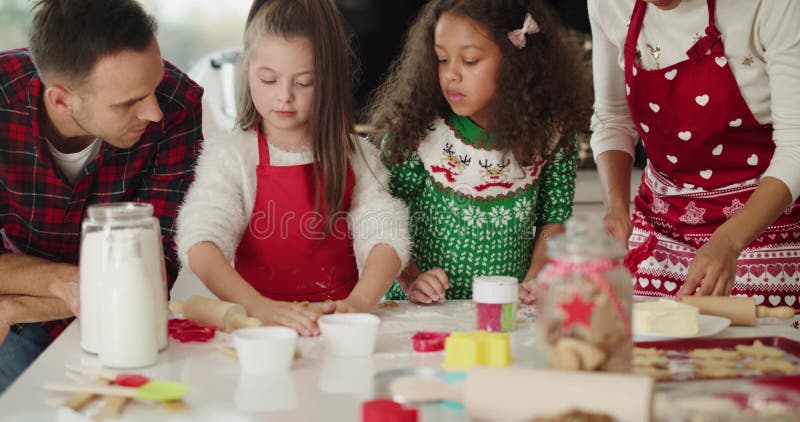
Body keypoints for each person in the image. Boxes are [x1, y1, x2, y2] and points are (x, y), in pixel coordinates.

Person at [0, 0, 204, 393]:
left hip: (114, 318)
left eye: (154, 86)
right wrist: (63, 280)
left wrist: (19, 302)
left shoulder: (179, 105)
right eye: (129, 102)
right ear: (61, 100)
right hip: (24, 324)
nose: (154, 112)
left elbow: (151, 272)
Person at [176, 0, 409, 337]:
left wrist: (359, 303)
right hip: (260, 332)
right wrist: (258, 307)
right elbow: (201, 242)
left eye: (303, 83)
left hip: (336, 327)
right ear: (247, 71)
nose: (284, 96)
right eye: (268, 80)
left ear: (328, 80)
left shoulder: (355, 155)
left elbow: (385, 235)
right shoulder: (232, 156)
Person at [369, 0, 591, 304]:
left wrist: (535, 278)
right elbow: (383, 218)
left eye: (470, 60)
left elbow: (553, 221)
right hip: (422, 309)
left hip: (504, 308)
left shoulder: (553, 135)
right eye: (442, 59)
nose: (451, 75)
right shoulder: (416, 133)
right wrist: (411, 278)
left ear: (515, 62)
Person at [589, 0, 800, 309]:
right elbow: (612, 117)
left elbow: (796, 143)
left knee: (755, 353)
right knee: (641, 348)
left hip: (765, 232)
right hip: (659, 232)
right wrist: (617, 209)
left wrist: (730, 240)